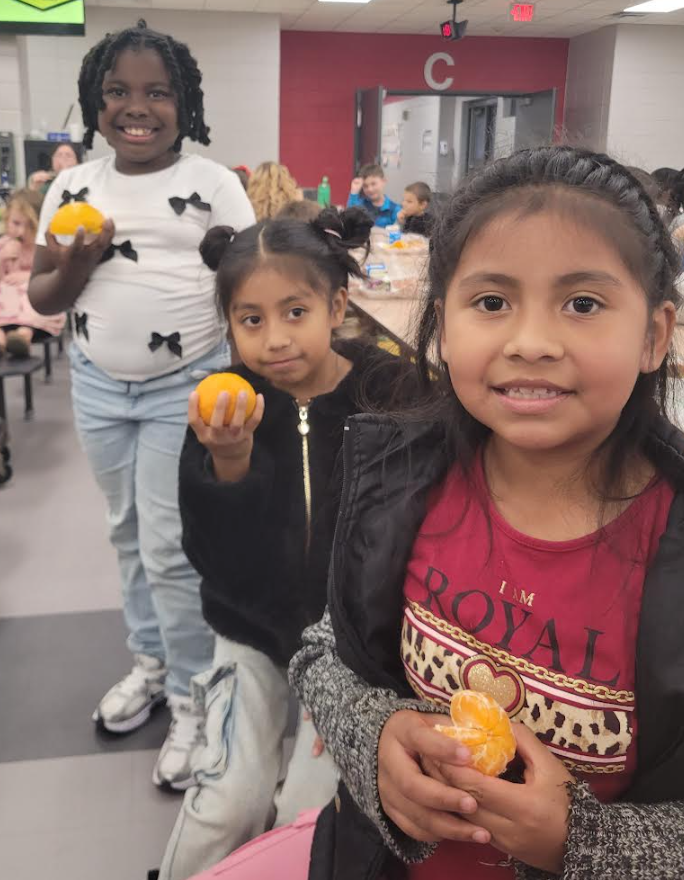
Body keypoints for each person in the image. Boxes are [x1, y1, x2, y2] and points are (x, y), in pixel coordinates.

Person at [283, 146, 684, 880]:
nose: (531, 343)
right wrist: (377, 738)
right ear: (444, 320)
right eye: (492, 303)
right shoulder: (402, 477)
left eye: (584, 304)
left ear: (655, 333)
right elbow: (319, 652)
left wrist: (583, 844)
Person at [28, 20, 255, 791]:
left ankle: (196, 696)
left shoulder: (216, 184)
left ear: (185, 102)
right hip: (95, 382)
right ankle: (152, 665)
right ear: (94, 100)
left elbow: (248, 288)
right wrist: (82, 258)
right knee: (126, 534)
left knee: (166, 543)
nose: (138, 107)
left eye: (158, 92)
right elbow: (42, 295)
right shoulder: (72, 185)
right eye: (118, 91)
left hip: (182, 388)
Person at [159, 206, 415, 880]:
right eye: (251, 320)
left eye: (294, 312)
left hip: (353, 652)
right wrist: (231, 462)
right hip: (250, 636)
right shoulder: (226, 405)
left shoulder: (389, 391)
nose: (274, 339)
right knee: (226, 802)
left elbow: (416, 526)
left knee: (310, 810)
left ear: (337, 306)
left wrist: (375, 670)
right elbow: (211, 557)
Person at [0, 190, 64, 358]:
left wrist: (28, 276)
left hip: (31, 298)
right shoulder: (4, 244)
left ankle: (22, 337)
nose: (20, 232)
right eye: (15, 223)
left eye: (29, 226)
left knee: (34, 296)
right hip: (7, 300)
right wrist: (2, 258)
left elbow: (55, 274)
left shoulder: (42, 247)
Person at [347, 163, 400, 228]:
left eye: (373, 184)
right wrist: (354, 192)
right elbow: (349, 218)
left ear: (384, 181)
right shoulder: (360, 205)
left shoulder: (394, 209)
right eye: (365, 186)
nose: (370, 189)